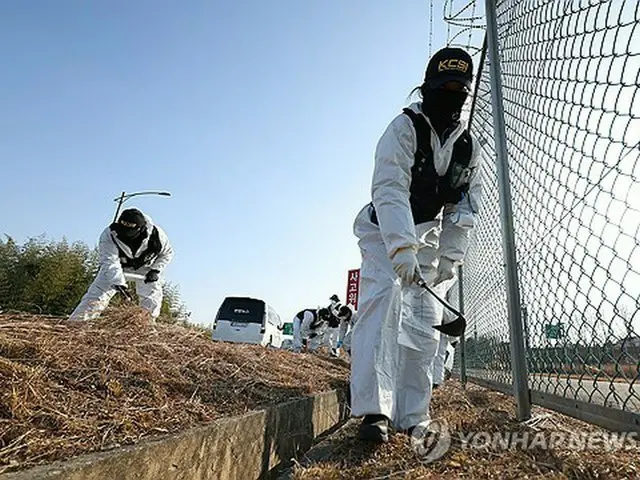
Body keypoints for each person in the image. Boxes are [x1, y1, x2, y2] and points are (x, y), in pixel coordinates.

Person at [349, 47, 483, 443]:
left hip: (428, 241)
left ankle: (412, 414)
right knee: (385, 304)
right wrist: (400, 248)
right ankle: (374, 411)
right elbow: (389, 189)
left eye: (459, 89)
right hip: (384, 234)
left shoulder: (467, 148)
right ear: (427, 88)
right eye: (444, 88)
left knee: (422, 328)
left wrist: (449, 260)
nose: (451, 96)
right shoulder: (403, 128)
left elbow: (464, 210)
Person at [69, 208, 174, 321]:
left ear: (141, 229)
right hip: (118, 267)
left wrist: (156, 270)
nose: (126, 235)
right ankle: (77, 325)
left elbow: (167, 253)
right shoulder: (109, 234)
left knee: (152, 297)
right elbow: (110, 261)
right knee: (95, 297)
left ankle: (146, 325)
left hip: (145, 268)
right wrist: (119, 283)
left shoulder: (158, 236)